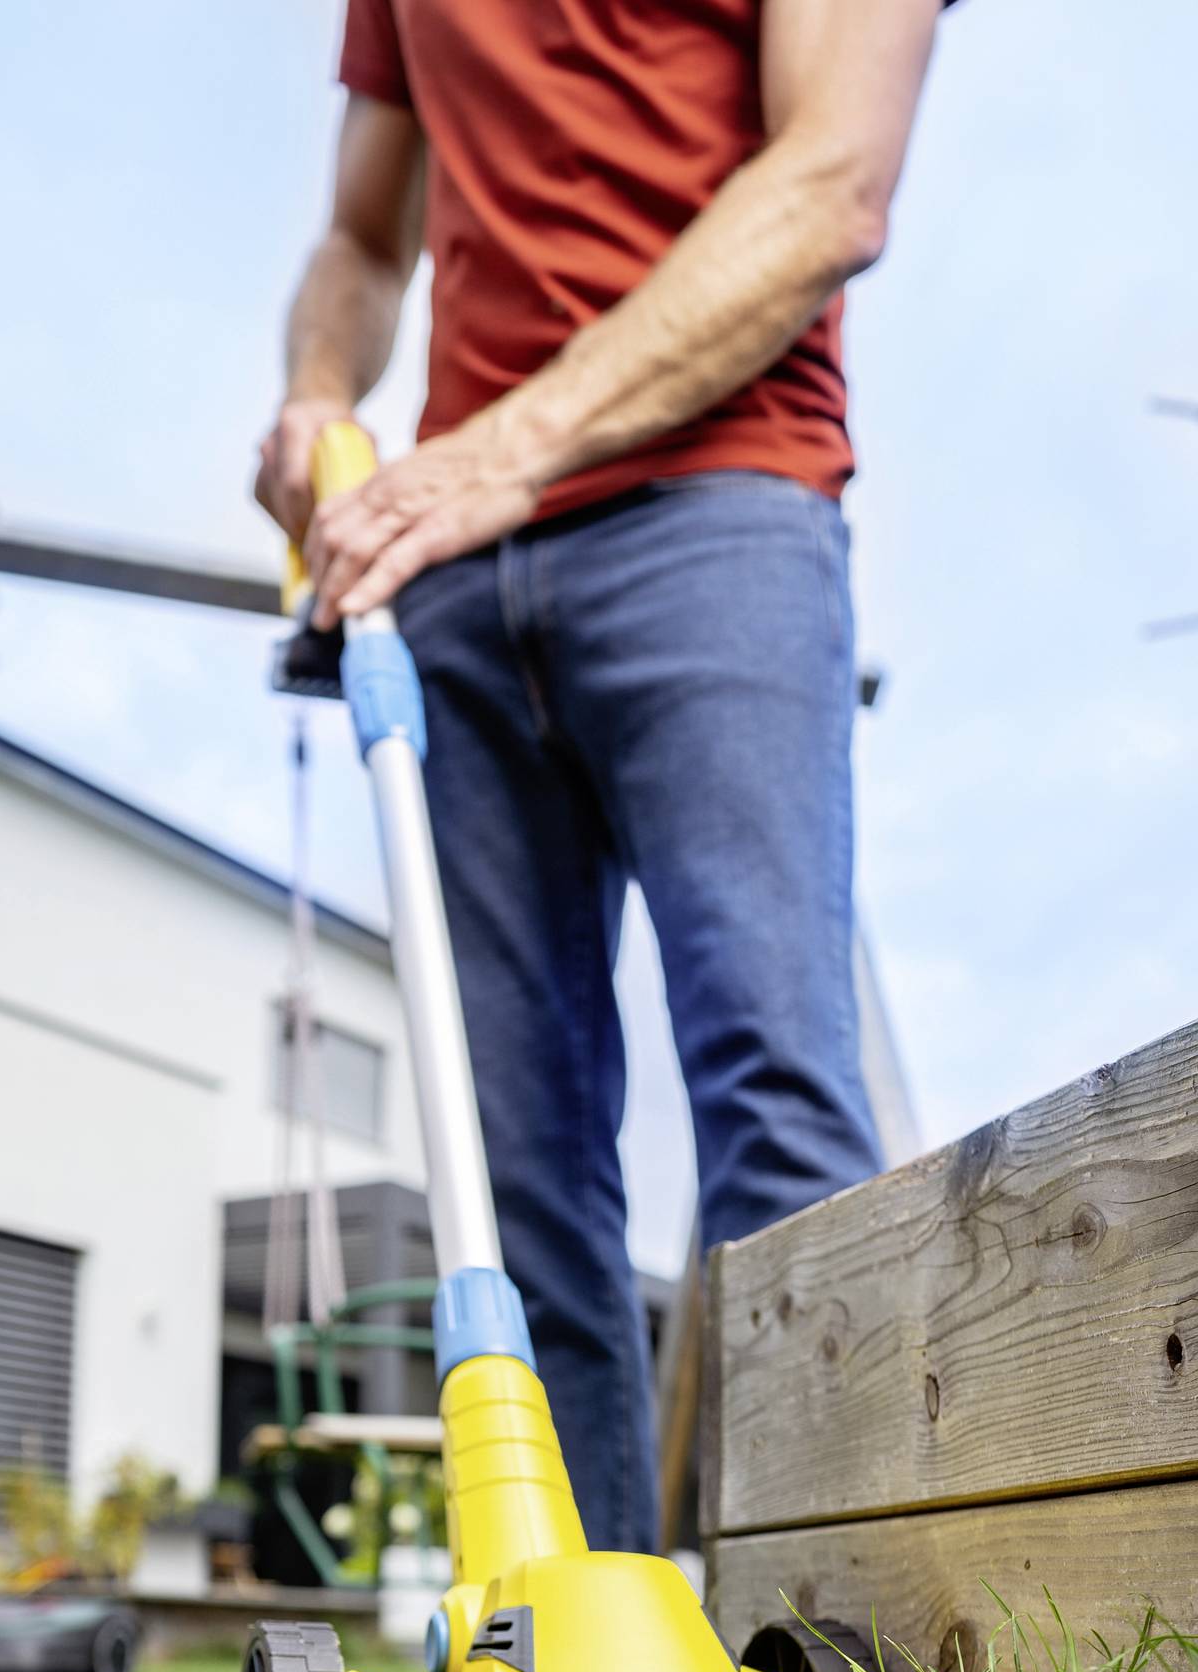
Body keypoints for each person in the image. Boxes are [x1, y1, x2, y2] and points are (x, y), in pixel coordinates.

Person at [259, 0, 951, 1554]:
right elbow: (365, 241)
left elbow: (833, 181)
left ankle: (830, 1639)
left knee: (774, 1087)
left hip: (716, 510)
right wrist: (320, 391)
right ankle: (575, 1643)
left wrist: (510, 446)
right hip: (450, 567)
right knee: (509, 1162)